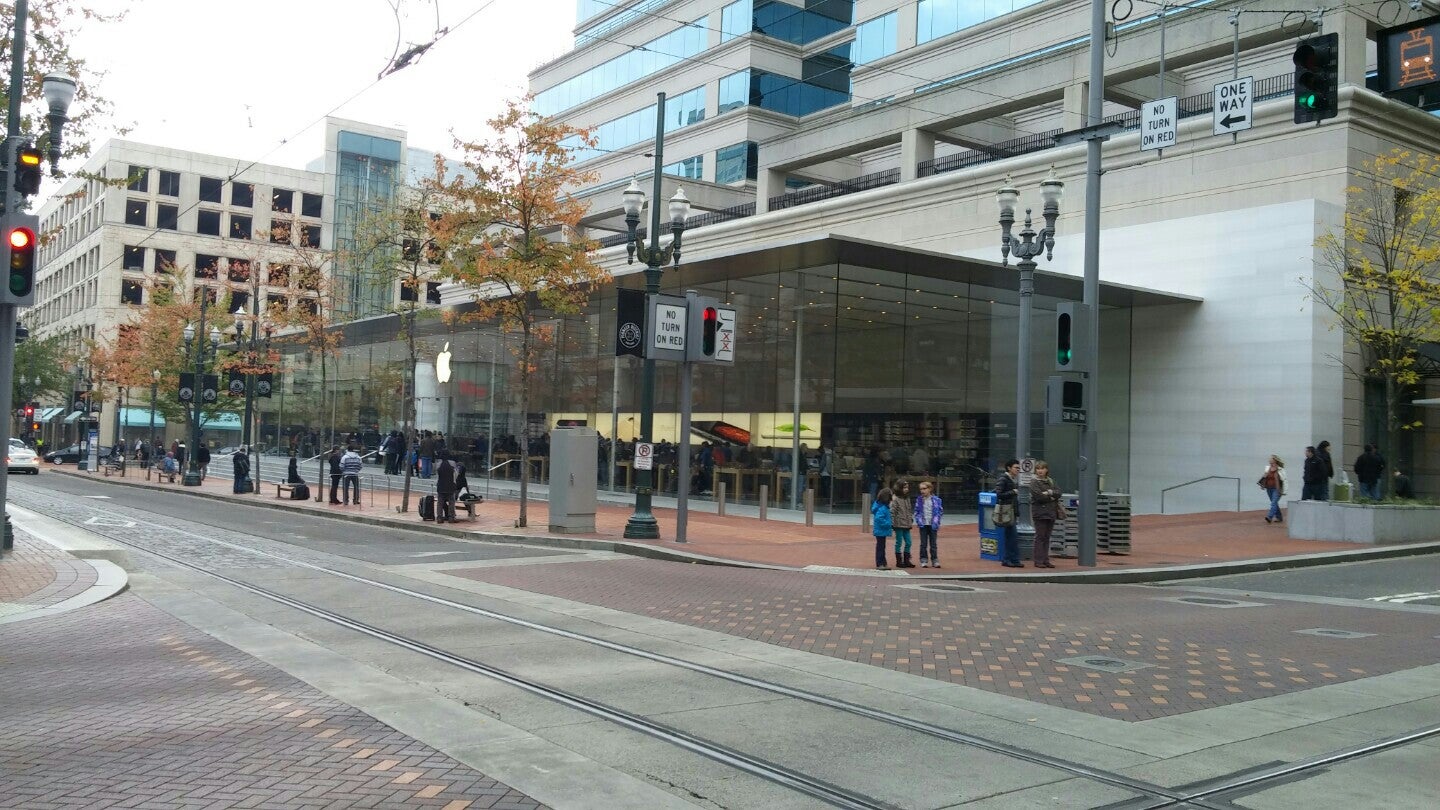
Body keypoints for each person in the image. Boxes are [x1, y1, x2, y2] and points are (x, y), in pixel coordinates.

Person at [1029, 460, 1061, 568]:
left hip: (1051, 512)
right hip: (1039, 512)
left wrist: (1048, 493)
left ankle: (1045, 559)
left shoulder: (1051, 481)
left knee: (1047, 537)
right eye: (1038, 469)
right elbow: (1038, 497)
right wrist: (1051, 495)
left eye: (1042, 468)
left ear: (1046, 470)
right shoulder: (1034, 482)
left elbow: (1058, 493)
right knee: (1040, 536)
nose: (1040, 471)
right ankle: (1038, 560)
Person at [995, 459, 1022, 568]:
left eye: (1019, 468)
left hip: (1012, 511)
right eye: (1016, 467)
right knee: (1011, 536)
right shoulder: (1004, 478)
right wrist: (1013, 492)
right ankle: (1008, 559)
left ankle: (1014, 559)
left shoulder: (1013, 479)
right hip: (1006, 511)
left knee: (1012, 537)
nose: (1018, 470)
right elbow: (999, 494)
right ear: (1009, 468)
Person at [913, 479, 944, 568]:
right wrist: (919, 521)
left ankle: (935, 560)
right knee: (923, 543)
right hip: (923, 524)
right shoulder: (919, 500)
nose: (922, 491)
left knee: (933, 543)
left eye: (924, 488)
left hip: (933, 524)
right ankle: (923, 559)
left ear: (929, 489)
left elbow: (940, 511)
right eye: (921, 489)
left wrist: (936, 521)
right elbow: (916, 512)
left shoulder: (936, 500)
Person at [890, 479, 915, 568]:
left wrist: (910, 518)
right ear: (899, 488)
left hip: (907, 524)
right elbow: (892, 512)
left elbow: (909, 510)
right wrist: (892, 523)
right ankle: (899, 561)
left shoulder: (907, 498)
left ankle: (907, 560)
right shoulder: (896, 499)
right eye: (904, 487)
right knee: (899, 542)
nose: (906, 489)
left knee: (908, 542)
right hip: (898, 524)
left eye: (907, 487)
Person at [871, 487, 894, 570]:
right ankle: (880, 563)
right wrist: (889, 524)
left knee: (881, 546)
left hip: (880, 530)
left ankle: (883, 562)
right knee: (881, 547)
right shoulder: (883, 508)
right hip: (881, 530)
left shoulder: (881, 506)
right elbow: (879, 518)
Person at [1261, 454, 1287, 523]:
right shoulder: (1268, 468)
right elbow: (1264, 477)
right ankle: (1279, 517)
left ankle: (1269, 517)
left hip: (1277, 489)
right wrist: (1263, 484)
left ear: (1275, 460)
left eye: (1271, 459)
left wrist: (1283, 490)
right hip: (1269, 488)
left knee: (1273, 503)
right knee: (1274, 503)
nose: (1269, 460)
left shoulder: (1280, 469)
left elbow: (1284, 480)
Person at [435, 452, 457, 523]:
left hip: (441, 486)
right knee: (451, 502)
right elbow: (456, 474)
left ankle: (439, 517)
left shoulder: (438, 464)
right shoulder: (452, 464)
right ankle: (451, 517)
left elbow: (437, 474)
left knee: (440, 503)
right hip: (450, 486)